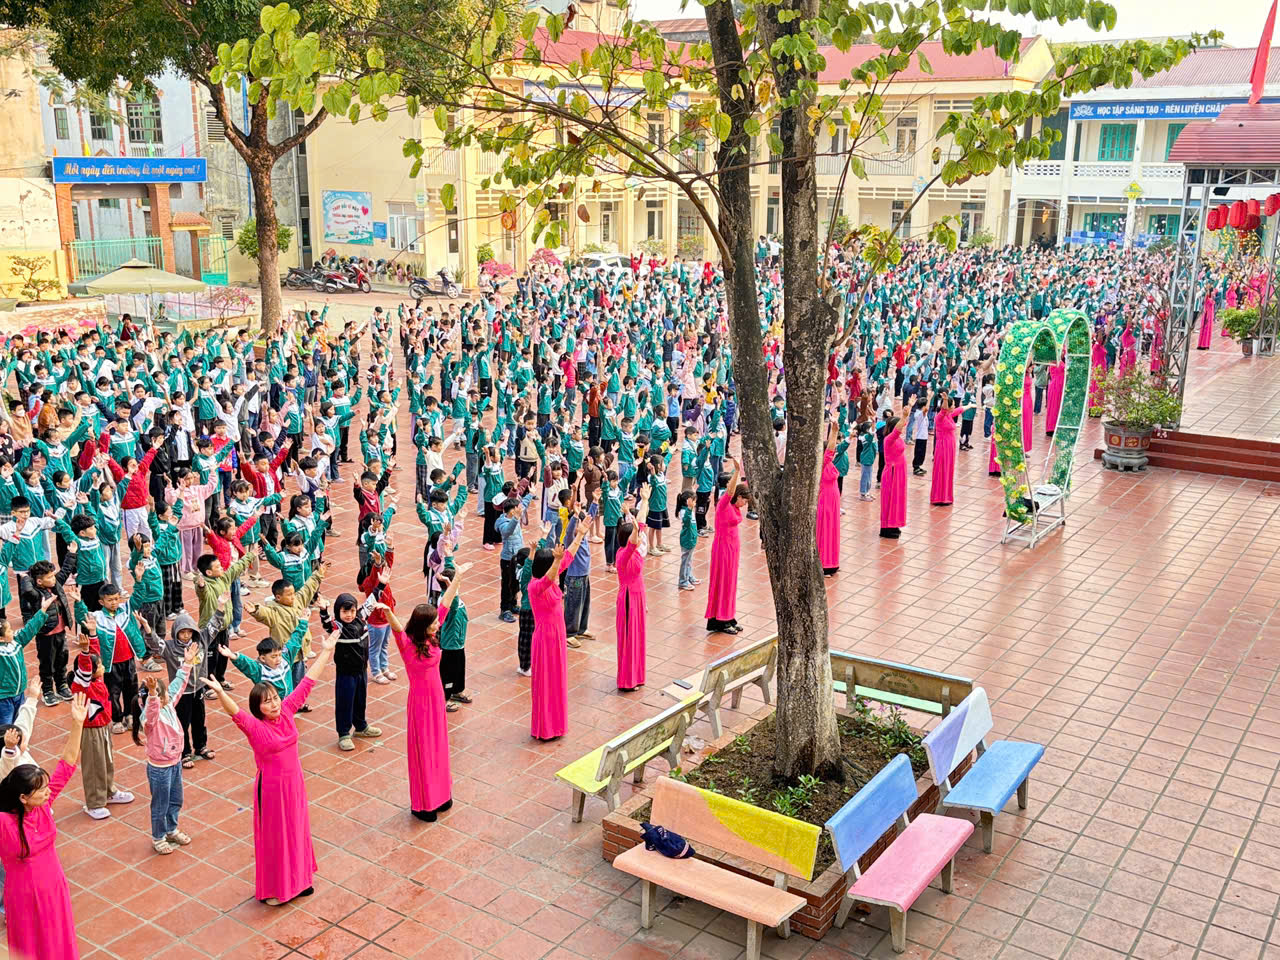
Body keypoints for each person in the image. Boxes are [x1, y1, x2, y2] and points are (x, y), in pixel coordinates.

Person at [202, 628, 339, 906]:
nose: (274, 704)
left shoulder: (287, 711)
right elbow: (236, 713)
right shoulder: (255, 728)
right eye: (267, 702)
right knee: (277, 837)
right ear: (258, 707)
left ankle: (300, 880)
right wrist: (220, 693)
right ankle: (278, 887)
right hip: (272, 789)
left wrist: (326, 651)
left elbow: (308, 682)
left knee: (297, 829)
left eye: (275, 697)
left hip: (294, 782)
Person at [0, 691, 89, 960]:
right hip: (23, 895)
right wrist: (8, 753)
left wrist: (77, 724)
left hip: (54, 886)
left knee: (59, 942)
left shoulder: (43, 808)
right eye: (41, 790)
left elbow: (68, 763)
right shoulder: (3, 822)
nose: (48, 792)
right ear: (23, 797)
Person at [389, 597, 455, 821]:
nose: (438, 624)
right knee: (424, 751)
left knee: (440, 747)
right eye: (434, 622)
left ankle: (442, 795)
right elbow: (397, 628)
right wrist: (387, 611)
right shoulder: (407, 645)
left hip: (437, 699)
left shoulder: (432, 636)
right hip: (420, 704)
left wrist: (457, 580)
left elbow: (445, 605)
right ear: (422, 625)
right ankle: (424, 804)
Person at [132, 642, 199, 854]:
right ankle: (158, 837)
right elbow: (152, 712)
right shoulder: (149, 718)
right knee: (160, 804)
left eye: (162, 695)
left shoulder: (168, 705)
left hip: (175, 763)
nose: (164, 698)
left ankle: (171, 829)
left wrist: (187, 664)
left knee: (175, 799)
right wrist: (153, 695)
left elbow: (178, 684)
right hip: (160, 768)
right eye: (159, 697)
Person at [529, 520, 587, 741]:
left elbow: (568, 557)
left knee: (557, 680)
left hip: (558, 635)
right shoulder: (535, 586)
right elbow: (549, 577)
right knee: (546, 682)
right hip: (545, 638)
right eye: (553, 562)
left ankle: (557, 724)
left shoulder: (551, 578)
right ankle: (545, 728)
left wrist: (580, 535)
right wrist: (556, 560)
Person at [615, 484, 650, 691]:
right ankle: (627, 680)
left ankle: (637, 675)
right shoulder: (624, 554)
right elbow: (636, 533)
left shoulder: (635, 549)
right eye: (635, 535)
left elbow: (641, 522)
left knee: (638, 636)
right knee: (629, 637)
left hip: (638, 595)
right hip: (628, 597)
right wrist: (634, 526)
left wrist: (644, 500)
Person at [704, 458, 746, 634]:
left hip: (732, 550)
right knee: (723, 583)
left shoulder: (734, 507)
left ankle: (729, 616)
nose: (745, 504)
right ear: (738, 497)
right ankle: (721, 619)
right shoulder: (723, 504)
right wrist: (736, 472)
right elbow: (730, 491)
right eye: (744, 500)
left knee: (731, 584)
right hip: (723, 550)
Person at [816, 425, 841, 576]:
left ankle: (832, 562)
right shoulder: (821, 464)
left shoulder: (829, 464)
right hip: (824, 501)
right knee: (825, 531)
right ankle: (824, 563)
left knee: (832, 531)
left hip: (833, 502)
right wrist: (834, 432)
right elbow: (830, 452)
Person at [880, 414, 908, 539]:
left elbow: (903, 425)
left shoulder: (897, 438)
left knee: (898, 498)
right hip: (892, 473)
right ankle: (887, 528)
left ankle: (894, 523)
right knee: (890, 499)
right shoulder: (889, 439)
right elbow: (897, 430)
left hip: (899, 472)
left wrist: (908, 410)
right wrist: (905, 415)